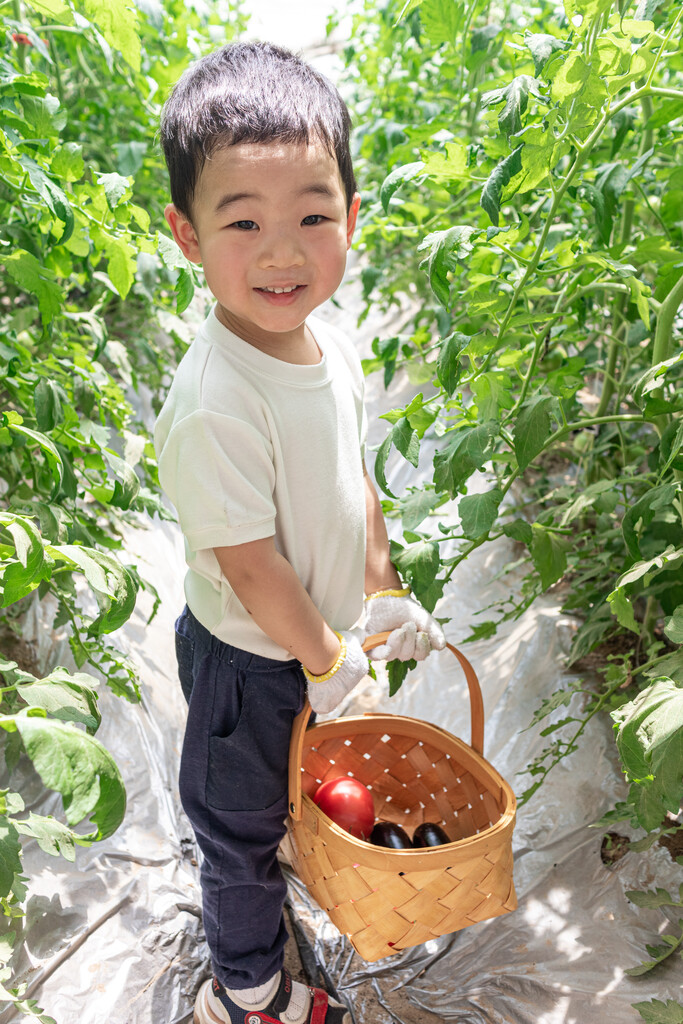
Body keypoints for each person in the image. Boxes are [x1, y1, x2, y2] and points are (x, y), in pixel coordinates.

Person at [154, 41, 445, 1024]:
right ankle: (247, 990)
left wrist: (384, 584)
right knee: (235, 833)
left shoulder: (336, 342)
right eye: (243, 222)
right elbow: (248, 560)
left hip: (315, 650)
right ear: (187, 236)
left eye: (312, 217)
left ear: (351, 220)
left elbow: (351, 473)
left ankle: (286, 841)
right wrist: (324, 659)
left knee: (293, 797)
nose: (283, 253)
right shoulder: (215, 401)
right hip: (249, 667)